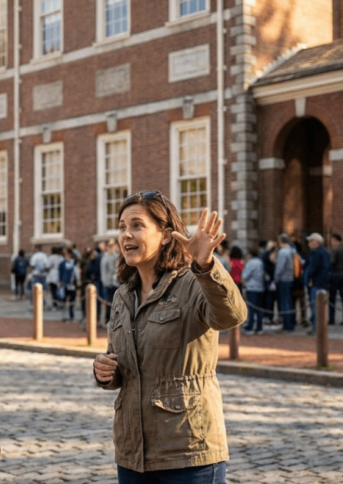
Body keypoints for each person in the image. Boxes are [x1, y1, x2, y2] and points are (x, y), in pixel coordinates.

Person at [92, 192, 247, 482]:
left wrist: (205, 266)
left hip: (189, 451)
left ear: (165, 235)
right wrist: (105, 372)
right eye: (122, 226)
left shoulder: (192, 282)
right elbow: (120, 365)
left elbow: (232, 316)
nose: (126, 234)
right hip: (133, 454)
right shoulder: (122, 295)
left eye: (137, 225)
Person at [303, 233, 331, 334]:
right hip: (322, 281)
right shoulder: (325, 252)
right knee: (319, 307)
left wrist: (308, 278)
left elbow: (313, 268)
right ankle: (319, 327)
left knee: (315, 306)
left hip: (316, 282)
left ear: (317, 242)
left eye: (311, 241)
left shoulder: (316, 253)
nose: (309, 243)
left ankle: (317, 328)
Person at [273, 234, 297, 332]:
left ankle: (286, 325)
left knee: (284, 303)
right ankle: (291, 323)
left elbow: (280, 267)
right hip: (291, 278)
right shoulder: (293, 251)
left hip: (283, 279)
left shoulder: (283, 252)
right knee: (290, 302)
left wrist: (275, 279)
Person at [327, 233, 343, 326]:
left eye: (332, 240)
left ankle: (332, 319)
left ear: (336, 240)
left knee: (332, 299)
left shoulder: (335, 250)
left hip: (335, 276)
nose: (332, 242)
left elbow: (331, 263)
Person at [241, 248, 266, 335]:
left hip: (252, 287)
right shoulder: (261, 262)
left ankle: (250, 327)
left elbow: (245, 275)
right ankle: (259, 327)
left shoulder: (250, 262)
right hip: (260, 287)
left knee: (252, 308)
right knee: (259, 308)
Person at [100, 239, 119, 325]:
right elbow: (103, 270)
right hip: (107, 283)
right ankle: (108, 320)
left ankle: (114, 320)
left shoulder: (116, 255)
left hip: (115, 282)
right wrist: (104, 281)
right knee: (108, 302)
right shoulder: (105, 256)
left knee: (115, 303)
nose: (111, 247)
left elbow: (116, 269)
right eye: (109, 245)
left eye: (112, 245)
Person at [58, 247, 79, 321]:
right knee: (63, 300)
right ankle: (64, 316)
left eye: (67, 253)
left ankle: (71, 315)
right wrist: (60, 282)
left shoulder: (74, 262)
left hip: (72, 284)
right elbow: (60, 273)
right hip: (64, 284)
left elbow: (76, 273)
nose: (65, 255)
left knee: (71, 301)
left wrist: (77, 282)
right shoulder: (62, 263)